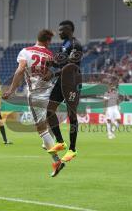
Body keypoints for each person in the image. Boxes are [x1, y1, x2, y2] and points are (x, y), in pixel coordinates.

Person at [3, 29, 65, 177]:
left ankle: (57, 161)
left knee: (40, 128)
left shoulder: (25, 51)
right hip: (50, 91)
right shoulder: (49, 54)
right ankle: (48, 142)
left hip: (36, 94)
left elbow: (20, 71)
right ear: (48, 41)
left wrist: (11, 89)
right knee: (48, 120)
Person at [46, 20, 83, 162]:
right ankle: (60, 142)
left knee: (71, 115)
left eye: (62, 30)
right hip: (61, 80)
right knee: (49, 110)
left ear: (69, 30)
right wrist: (50, 62)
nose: (59, 32)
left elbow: (71, 65)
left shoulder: (76, 45)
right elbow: (60, 61)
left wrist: (53, 73)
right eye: (59, 30)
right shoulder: (64, 44)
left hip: (72, 81)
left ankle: (72, 149)